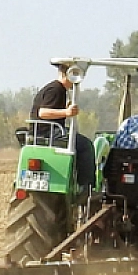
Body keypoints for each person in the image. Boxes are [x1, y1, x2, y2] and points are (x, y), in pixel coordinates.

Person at [29, 61, 94, 190]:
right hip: (50, 133)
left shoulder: (55, 89)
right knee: (86, 145)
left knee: (76, 138)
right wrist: (66, 112)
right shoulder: (56, 89)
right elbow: (43, 112)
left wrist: (65, 109)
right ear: (69, 74)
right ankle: (86, 188)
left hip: (48, 132)